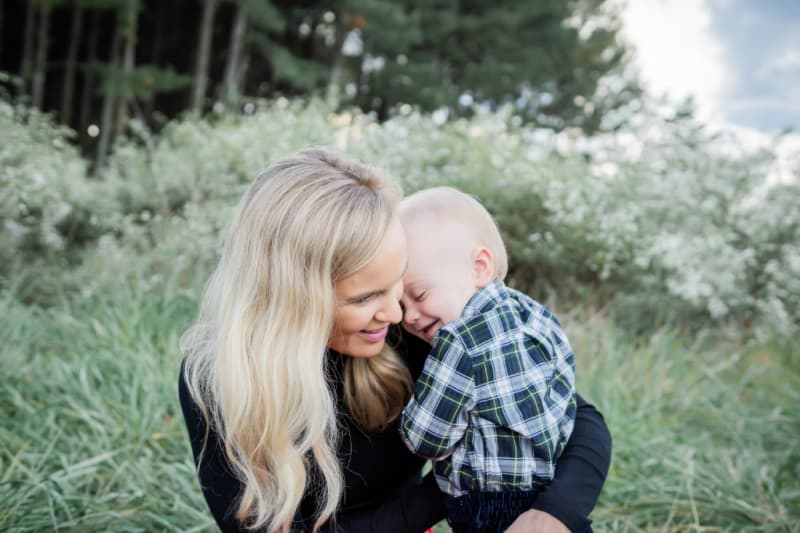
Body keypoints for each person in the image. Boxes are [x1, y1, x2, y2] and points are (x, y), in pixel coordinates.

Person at [178, 148, 612, 533]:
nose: (397, 313)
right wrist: (455, 491)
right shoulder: (220, 376)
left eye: (402, 285)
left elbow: (575, 416)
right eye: (367, 296)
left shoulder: (422, 330)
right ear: (294, 298)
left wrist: (552, 514)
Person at [397, 187, 578, 532]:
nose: (409, 316)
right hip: (549, 488)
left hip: (490, 506)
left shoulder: (458, 342)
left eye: (419, 294)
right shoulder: (534, 314)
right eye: (402, 302)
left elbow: (425, 440)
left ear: (479, 267)